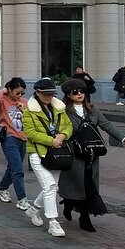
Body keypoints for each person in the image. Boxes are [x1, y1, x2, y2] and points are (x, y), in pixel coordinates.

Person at [59, 78, 125, 232]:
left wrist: (124, 138)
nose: (79, 94)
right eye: (75, 92)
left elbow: (106, 125)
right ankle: (70, 206)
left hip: (92, 154)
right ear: (68, 95)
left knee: (88, 185)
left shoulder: (92, 110)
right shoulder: (64, 112)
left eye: (82, 91)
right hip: (74, 154)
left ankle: (83, 217)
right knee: (76, 185)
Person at [22, 77, 74, 237]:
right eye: (46, 94)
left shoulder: (59, 108)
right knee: (50, 186)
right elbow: (30, 133)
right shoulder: (29, 111)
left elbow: (68, 125)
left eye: (52, 94)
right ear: (37, 92)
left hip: (57, 153)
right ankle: (53, 222)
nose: (50, 97)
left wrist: (62, 136)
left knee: (51, 187)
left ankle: (34, 209)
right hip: (38, 153)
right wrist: (51, 140)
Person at [0, 78, 31, 210]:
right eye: (17, 93)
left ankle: (2, 189)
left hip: (23, 138)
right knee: (18, 169)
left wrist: (24, 110)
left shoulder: (25, 103)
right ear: (10, 90)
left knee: (13, 167)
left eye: (22, 94)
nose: (19, 96)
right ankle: (22, 199)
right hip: (9, 137)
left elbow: (31, 119)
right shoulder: (3, 101)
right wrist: (5, 89)